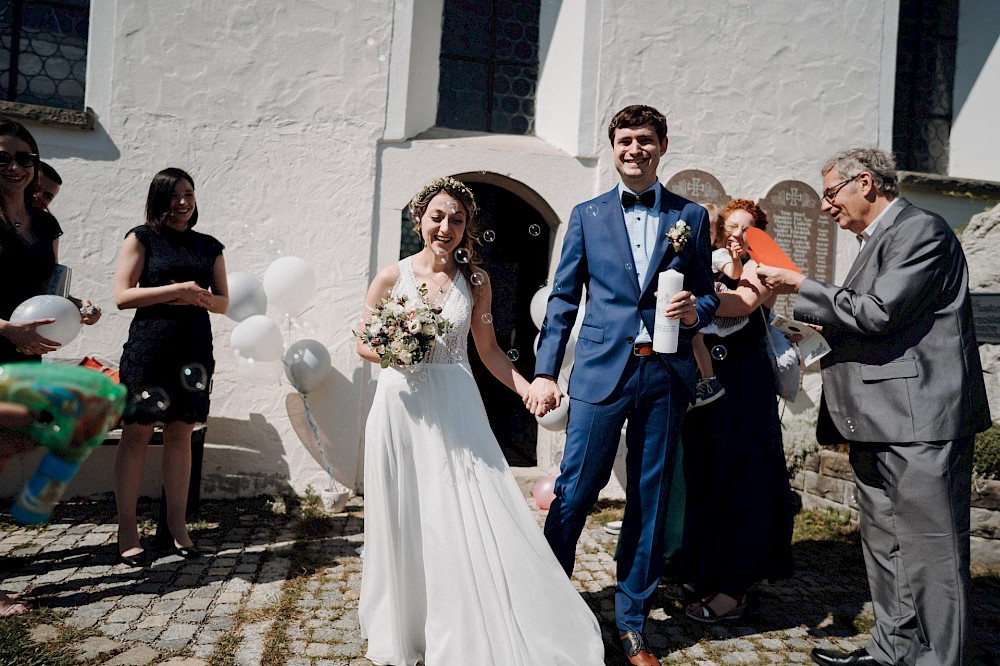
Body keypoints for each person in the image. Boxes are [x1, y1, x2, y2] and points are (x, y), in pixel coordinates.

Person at [356, 176, 604, 666]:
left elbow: (488, 351)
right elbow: (363, 342)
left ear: (467, 226)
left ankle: (467, 617)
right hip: (400, 405)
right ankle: (407, 624)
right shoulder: (392, 277)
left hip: (455, 402)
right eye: (437, 217)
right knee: (406, 512)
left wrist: (528, 385)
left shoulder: (477, 282)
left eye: (457, 219)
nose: (445, 227)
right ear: (420, 220)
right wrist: (396, 351)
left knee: (463, 509)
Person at [758, 148, 991, 666]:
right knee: (885, 550)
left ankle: (940, 659)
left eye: (830, 193)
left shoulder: (919, 230)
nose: (825, 207)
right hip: (876, 418)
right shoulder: (876, 240)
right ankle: (893, 651)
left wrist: (797, 283)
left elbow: (878, 312)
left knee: (931, 553)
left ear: (865, 183)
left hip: (921, 420)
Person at [525, 104, 718, 666]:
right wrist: (544, 369)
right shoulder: (587, 215)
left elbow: (707, 296)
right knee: (575, 490)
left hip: (664, 375)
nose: (634, 149)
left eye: (645, 140)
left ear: (662, 147)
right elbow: (563, 300)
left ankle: (631, 621)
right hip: (599, 373)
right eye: (625, 140)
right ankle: (547, 603)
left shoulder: (693, 217)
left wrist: (692, 313)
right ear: (614, 149)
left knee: (650, 499)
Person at [669, 199, 794, 623]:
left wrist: (691, 301)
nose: (737, 232)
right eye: (731, 225)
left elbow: (741, 305)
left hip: (746, 390)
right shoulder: (711, 262)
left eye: (747, 227)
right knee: (705, 480)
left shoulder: (766, 269)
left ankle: (733, 587)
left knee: (742, 484)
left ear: (758, 233)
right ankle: (700, 572)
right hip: (707, 390)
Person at [113, 168, 228, 566]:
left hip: (193, 350)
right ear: (160, 199)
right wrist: (177, 290)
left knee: (181, 435)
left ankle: (177, 528)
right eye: (175, 195)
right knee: (137, 435)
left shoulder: (209, 245)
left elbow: (223, 302)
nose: (183, 202)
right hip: (151, 349)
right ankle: (127, 529)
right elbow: (123, 296)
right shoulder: (141, 237)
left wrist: (199, 299)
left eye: (189, 194)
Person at [0, 117, 99, 364]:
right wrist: (6, 329)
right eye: (3, 158)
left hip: (26, 355)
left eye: (25, 159)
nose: (15, 168)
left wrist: (78, 306)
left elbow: (48, 289)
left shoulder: (46, 225)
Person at [690, 203, 746, 407]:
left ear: (716, 236)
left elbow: (734, 273)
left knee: (697, 339)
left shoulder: (716, 255)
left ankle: (709, 381)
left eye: (708, 231)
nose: (701, 234)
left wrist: (735, 259)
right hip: (692, 304)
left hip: (707, 303)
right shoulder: (689, 252)